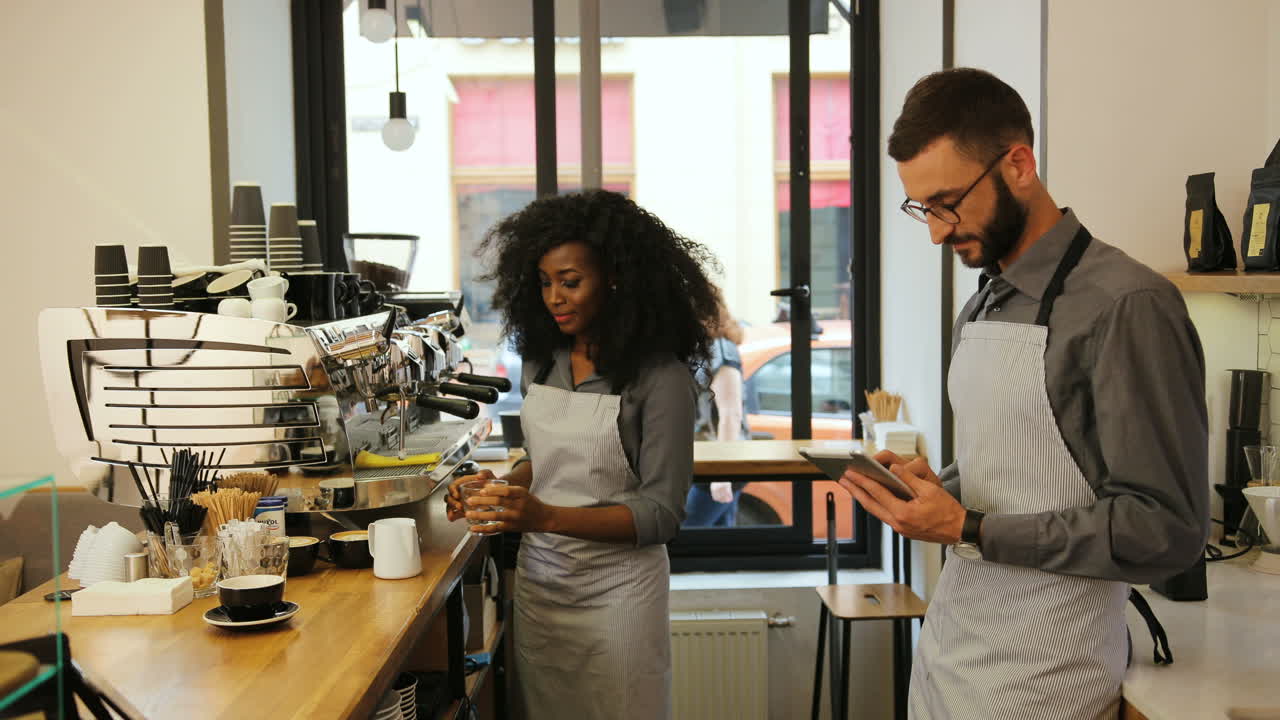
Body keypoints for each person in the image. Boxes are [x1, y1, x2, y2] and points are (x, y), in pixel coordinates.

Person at [839, 68, 1209, 720]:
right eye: (923, 208)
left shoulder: (1127, 305)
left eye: (948, 201)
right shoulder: (984, 304)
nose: (935, 231)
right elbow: (1007, 474)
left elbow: (1168, 532)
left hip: (1049, 686)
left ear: (1019, 165)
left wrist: (970, 526)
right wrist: (940, 488)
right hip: (949, 666)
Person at [444, 189, 721, 720]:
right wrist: (499, 487)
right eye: (545, 283)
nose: (555, 297)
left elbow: (661, 514)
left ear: (615, 278)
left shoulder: (660, 379)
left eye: (571, 282)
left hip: (621, 595)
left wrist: (543, 516)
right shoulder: (540, 361)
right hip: (543, 587)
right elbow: (545, 462)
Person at [686, 289, 750, 527]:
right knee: (721, 545)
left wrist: (721, 475)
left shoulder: (721, 350)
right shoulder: (702, 350)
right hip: (711, 462)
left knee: (685, 538)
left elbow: (731, 415)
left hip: (719, 463)